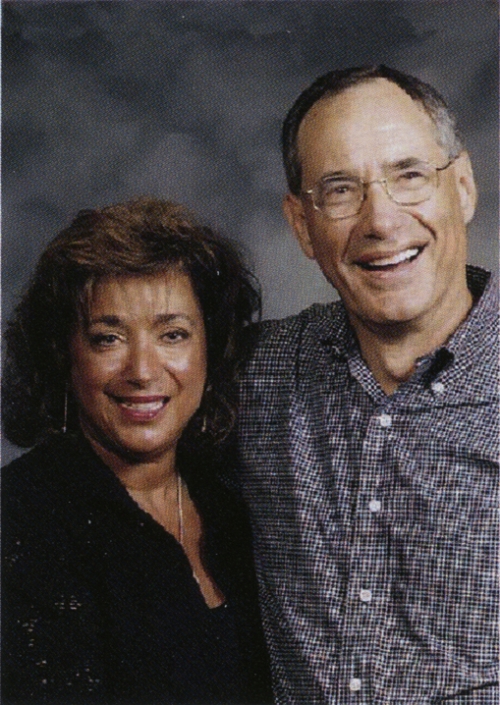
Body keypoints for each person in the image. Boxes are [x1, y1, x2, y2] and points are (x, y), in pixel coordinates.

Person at [238, 65, 498, 703]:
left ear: (463, 186)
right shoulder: (256, 375)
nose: (381, 220)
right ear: (302, 225)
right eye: (340, 190)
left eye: (409, 175)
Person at [1, 197, 272, 704]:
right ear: (65, 354)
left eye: (173, 335)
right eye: (108, 339)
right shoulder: (21, 519)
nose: (143, 371)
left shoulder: (231, 503)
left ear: (209, 348)